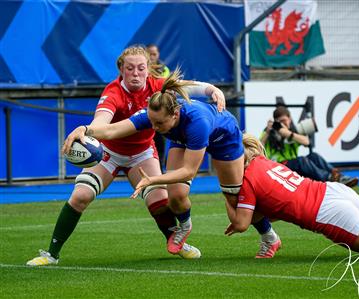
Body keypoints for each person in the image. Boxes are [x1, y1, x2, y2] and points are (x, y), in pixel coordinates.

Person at [26, 45, 227, 266]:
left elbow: (189, 87)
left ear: (148, 68)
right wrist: (86, 129)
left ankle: (176, 240)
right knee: (80, 196)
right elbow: (103, 124)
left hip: (142, 153)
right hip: (108, 153)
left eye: (141, 68)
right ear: (121, 69)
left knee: (160, 203)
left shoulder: (157, 86)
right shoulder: (113, 92)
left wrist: (212, 90)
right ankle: (51, 254)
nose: (136, 73)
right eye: (130, 68)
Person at [60, 68, 282, 259]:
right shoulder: (156, 113)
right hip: (182, 139)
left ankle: (269, 236)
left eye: (159, 124)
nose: (153, 128)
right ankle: (184, 226)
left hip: (224, 139)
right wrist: (85, 129)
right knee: (175, 196)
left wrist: (152, 180)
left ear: (175, 115)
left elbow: (189, 171)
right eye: (151, 122)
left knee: (238, 215)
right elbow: (112, 129)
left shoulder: (198, 123)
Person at [224, 134, 359, 259]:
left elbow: (241, 223)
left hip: (328, 212)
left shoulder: (248, 181)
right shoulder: (264, 162)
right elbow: (277, 206)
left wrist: (227, 191)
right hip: (333, 191)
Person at [260, 105, 359, 187]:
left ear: (290, 119)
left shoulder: (292, 132)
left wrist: (288, 134)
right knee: (301, 161)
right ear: (275, 122)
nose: (283, 124)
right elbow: (259, 146)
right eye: (279, 122)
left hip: (293, 166)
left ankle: (340, 177)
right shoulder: (269, 133)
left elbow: (307, 142)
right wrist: (268, 131)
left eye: (284, 120)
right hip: (278, 167)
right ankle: (330, 178)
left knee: (314, 156)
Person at [146, 44, 169, 169]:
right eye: (149, 53)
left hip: (159, 111)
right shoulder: (141, 69)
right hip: (145, 111)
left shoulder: (164, 69)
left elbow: (164, 88)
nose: (152, 56)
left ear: (158, 54)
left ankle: (160, 170)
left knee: (160, 142)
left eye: (154, 54)